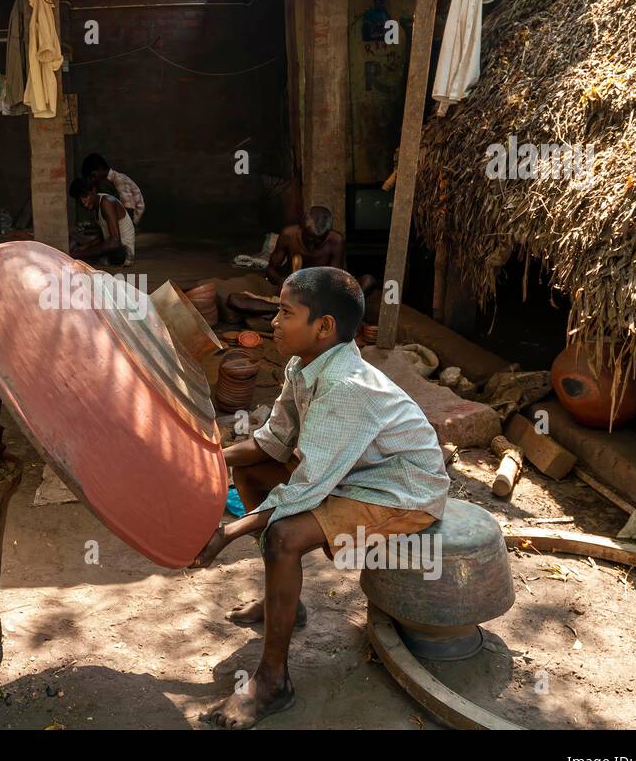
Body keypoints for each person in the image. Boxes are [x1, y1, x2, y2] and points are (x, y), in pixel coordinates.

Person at [190, 267, 449, 728]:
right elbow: (273, 441)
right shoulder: (302, 365)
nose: (273, 321)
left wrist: (227, 532)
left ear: (324, 327)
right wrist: (206, 458)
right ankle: (285, 602)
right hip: (353, 475)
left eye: (286, 313)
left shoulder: (346, 386)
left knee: (283, 536)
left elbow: (307, 487)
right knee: (251, 473)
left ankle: (272, 683)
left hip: (402, 491)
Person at [264, 205, 344, 288]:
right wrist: (281, 281)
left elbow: (336, 278)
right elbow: (270, 270)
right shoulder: (288, 235)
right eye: (308, 239)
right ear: (301, 227)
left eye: (318, 242)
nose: (312, 245)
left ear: (328, 233)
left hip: (320, 288)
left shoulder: (336, 241)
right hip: (290, 284)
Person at [69, 173, 135, 266]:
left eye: (85, 196)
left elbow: (115, 242)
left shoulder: (106, 202)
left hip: (124, 253)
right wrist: (85, 247)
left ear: (93, 191)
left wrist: (79, 254)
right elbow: (102, 237)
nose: (83, 202)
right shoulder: (96, 206)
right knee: (77, 244)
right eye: (78, 200)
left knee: (82, 259)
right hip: (113, 249)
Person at [81, 153, 144, 225]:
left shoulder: (119, 179)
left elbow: (129, 210)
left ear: (101, 168)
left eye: (94, 176)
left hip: (133, 222)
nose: (94, 180)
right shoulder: (106, 183)